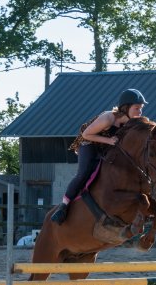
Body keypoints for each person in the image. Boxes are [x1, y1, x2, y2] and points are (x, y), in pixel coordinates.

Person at [51, 88, 148, 224]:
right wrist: (108, 140)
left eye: (141, 108)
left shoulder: (130, 122)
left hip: (105, 147)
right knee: (83, 173)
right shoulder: (109, 118)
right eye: (137, 108)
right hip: (89, 144)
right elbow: (86, 134)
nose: (140, 112)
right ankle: (63, 206)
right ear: (126, 108)